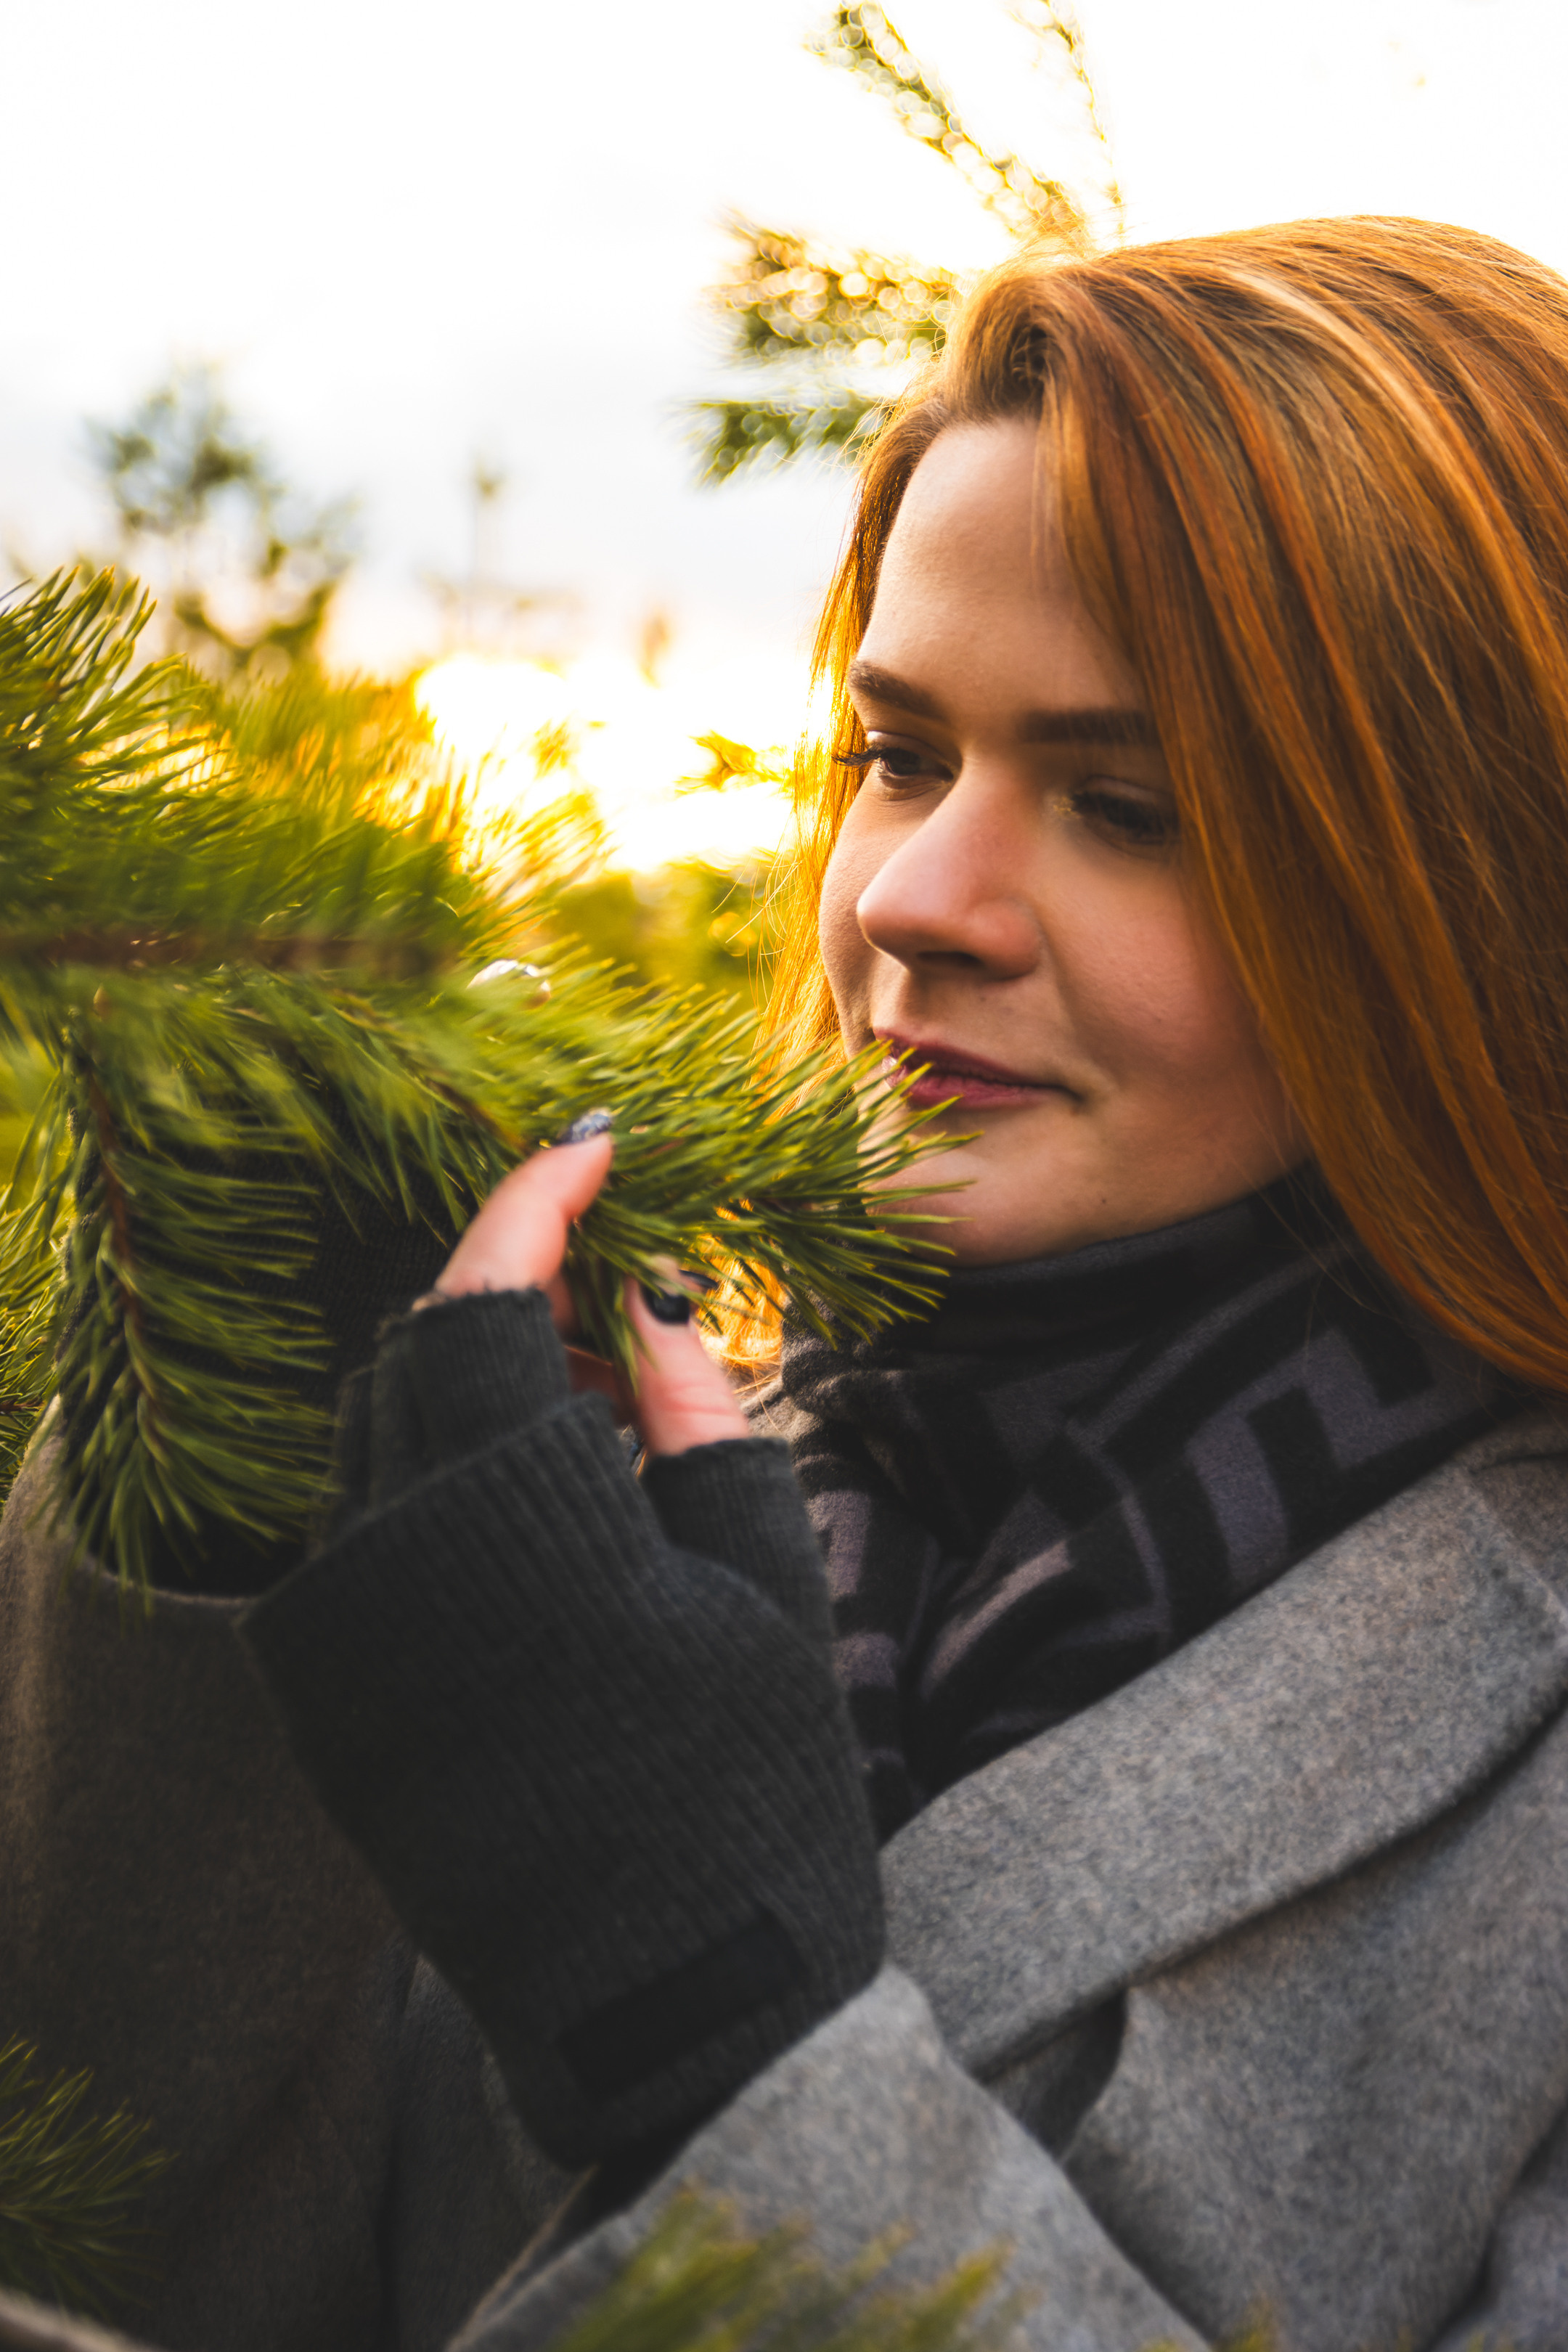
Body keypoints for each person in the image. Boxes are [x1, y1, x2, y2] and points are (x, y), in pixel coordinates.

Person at [8, 211, 1568, 2352]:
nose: (917, 897)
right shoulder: (634, 1504)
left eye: (1122, 806)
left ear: (1472, 905)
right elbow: (146, 2261)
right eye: (902, 755)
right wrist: (222, 1511)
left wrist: (725, 2026)